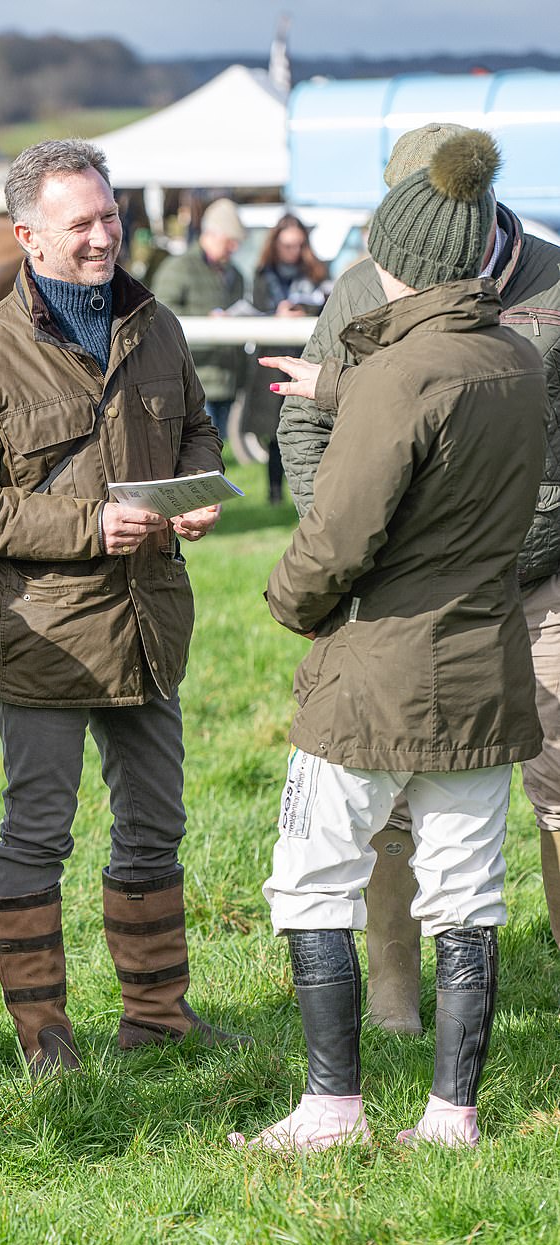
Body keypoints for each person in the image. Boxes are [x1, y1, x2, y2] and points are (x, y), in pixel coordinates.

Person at [228, 130, 546, 1150]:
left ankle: (330, 1105)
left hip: (377, 664)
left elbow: (339, 532)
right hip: (482, 649)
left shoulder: (402, 373)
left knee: (312, 872)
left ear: (403, 256)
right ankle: (449, 1114)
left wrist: (289, 602)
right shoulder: (511, 360)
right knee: (468, 885)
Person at [0, 139, 242, 1075]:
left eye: (111, 216)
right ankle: (46, 1039)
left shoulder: (158, 324)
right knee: (37, 830)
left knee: (156, 822)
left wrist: (194, 492)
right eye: (83, 223)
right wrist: (84, 526)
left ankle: (157, 1015)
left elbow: (193, 427)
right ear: (28, 235)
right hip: (44, 631)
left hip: (149, 623)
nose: (106, 237)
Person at [243, 215, 331, 505]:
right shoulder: (263, 274)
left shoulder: (316, 273)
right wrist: (276, 314)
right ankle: (275, 494)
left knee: (310, 427)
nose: (293, 250)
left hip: (307, 355)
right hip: (274, 361)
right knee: (275, 432)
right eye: (287, 245)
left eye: (297, 244)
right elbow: (258, 309)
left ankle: (308, 495)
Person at [150, 197, 248, 442]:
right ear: (212, 234)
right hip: (194, 377)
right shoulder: (178, 268)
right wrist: (206, 320)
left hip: (226, 376)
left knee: (218, 450)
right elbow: (159, 313)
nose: (233, 248)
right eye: (229, 241)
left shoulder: (235, 275)